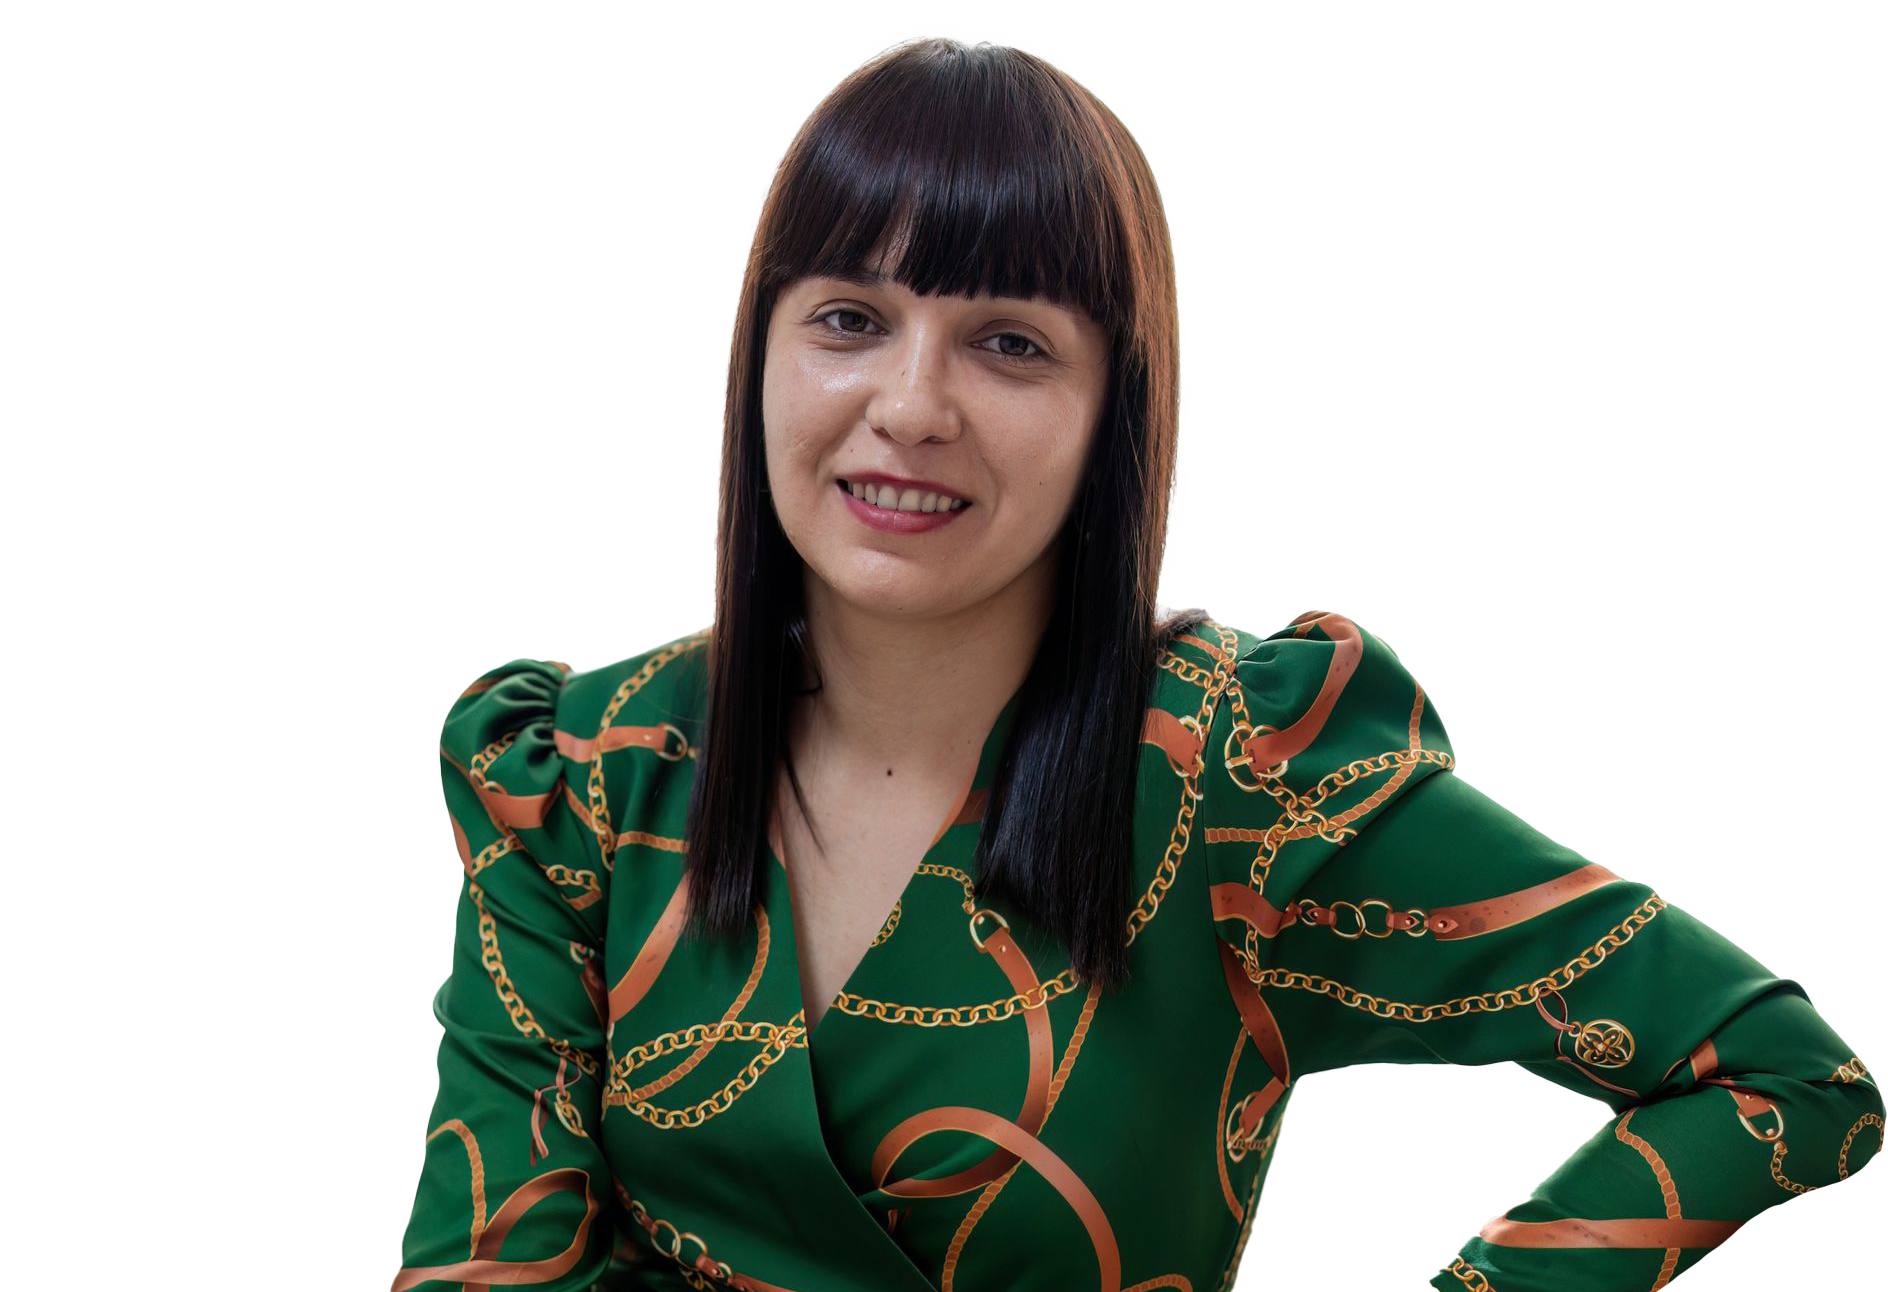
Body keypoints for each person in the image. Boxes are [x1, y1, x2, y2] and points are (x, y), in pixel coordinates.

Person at [391, 35, 1883, 1292]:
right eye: (849, 318)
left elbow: (1778, 1080)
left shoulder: (1245, 768)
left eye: (1010, 344)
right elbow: (483, 1268)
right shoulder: (583, 778)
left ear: (1117, 407)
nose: (911, 405)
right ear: (760, 356)